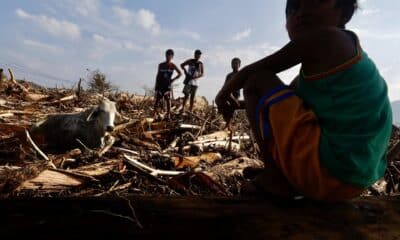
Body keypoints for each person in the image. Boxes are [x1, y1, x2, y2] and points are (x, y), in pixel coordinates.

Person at [215, 0, 392, 201]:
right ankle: (287, 177)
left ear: (344, 13)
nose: (299, 13)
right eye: (292, 8)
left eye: (312, 2)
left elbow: (251, 75)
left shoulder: (330, 38)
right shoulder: (325, 70)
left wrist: (224, 94)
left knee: (258, 80)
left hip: (330, 170)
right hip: (352, 179)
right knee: (264, 88)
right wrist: (237, 105)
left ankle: (276, 178)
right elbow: (269, 103)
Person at [154, 49, 182, 119]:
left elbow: (180, 73)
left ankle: (168, 115)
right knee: (157, 100)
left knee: (168, 99)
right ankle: (154, 114)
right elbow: (158, 75)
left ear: (172, 56)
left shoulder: (172, 65)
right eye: (167, 55)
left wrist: (173, 80)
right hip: (160, 85)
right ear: (165, 55)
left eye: (170, 55)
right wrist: (156, 86)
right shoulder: (161, 65)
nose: (168, 57)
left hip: (168, 85)